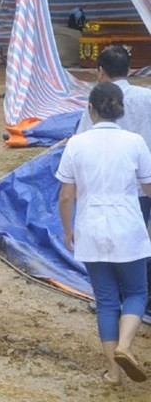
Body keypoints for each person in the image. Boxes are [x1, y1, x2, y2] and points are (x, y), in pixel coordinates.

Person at [56, 82, 151, 385]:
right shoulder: (135, 142)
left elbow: (65, 197)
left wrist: (68, 229)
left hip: (90, 227)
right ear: (120, 109)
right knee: (137, 292)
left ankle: (113, 372)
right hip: (128, 227)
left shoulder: (76, 144)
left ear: (91, 109)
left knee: (107, 300)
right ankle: (125, 346)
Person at [76, 45, 151, 310]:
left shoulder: (96, 102)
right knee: (140, 239)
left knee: (111, 242)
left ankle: (112, 297)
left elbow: (81, 141)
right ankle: (140, 295)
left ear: (100, 72)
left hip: (112, 186)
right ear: (130, 69)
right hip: (145, 183)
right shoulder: (147, 97)